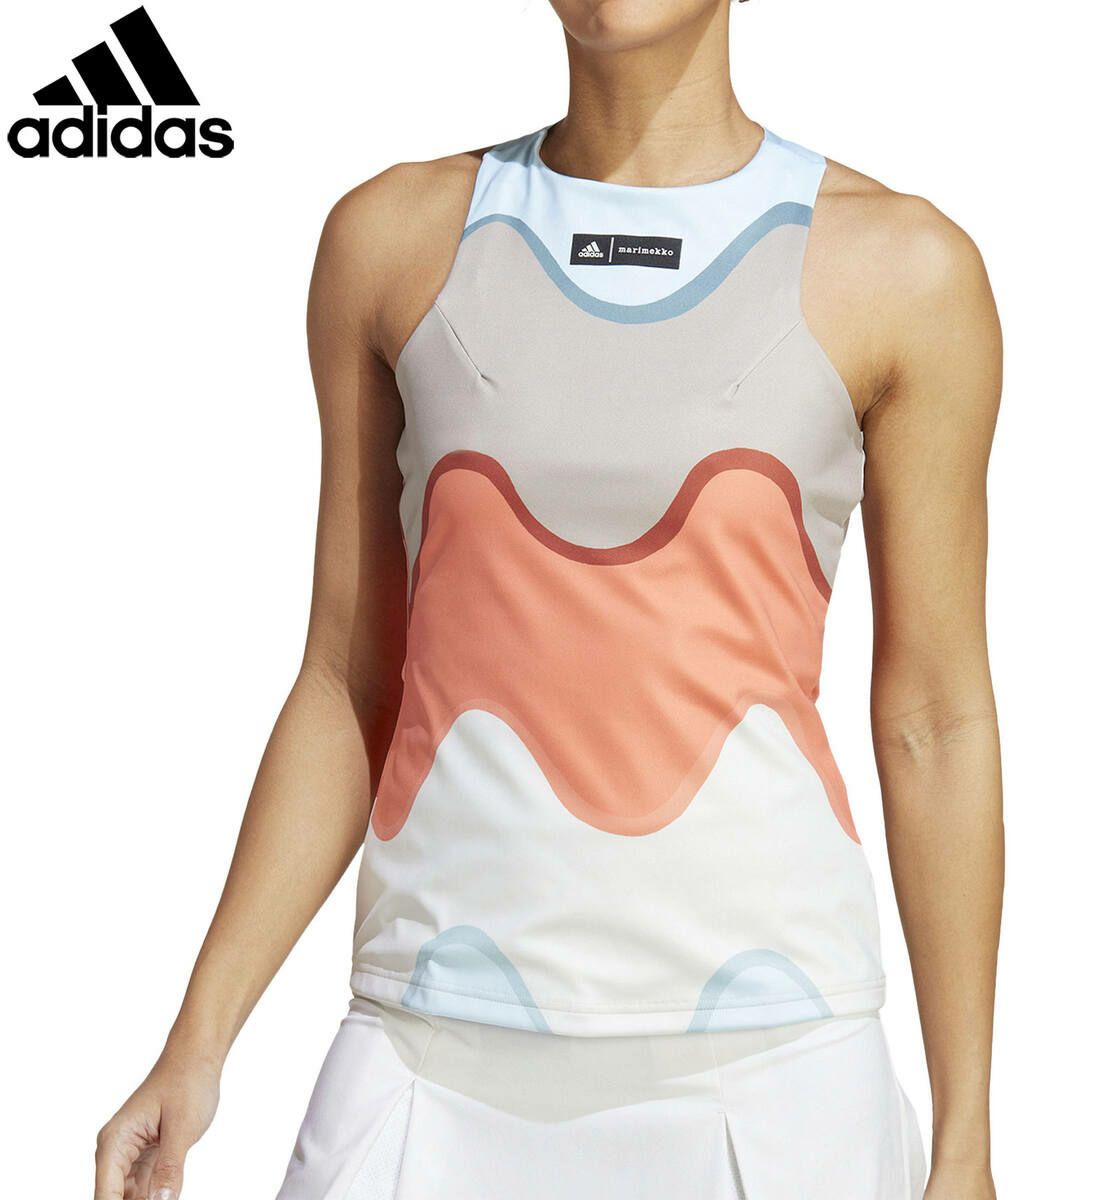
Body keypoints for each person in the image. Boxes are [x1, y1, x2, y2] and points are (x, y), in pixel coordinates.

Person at [94, 2, 1004, 1197]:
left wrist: (966, 1142)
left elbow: (934, 719)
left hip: (776, 1068)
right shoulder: (392, 241)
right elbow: (347, 683)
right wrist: (196, 1045)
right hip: (427, 1046)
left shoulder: (903, 268)